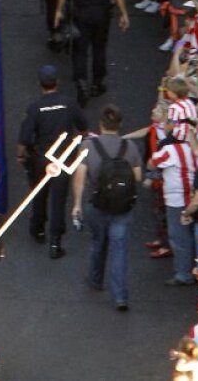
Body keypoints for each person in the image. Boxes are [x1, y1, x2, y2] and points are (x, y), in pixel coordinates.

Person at [71, 107, 143, 311]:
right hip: (122, 206)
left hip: (97, 204)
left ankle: (95, 280)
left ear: (101, 124)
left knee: (97, 241)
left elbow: (80, 177)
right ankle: (120, 296)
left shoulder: (88, 146)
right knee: (119, 249)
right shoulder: (129, 147)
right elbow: (138, 177)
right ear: (119, 125)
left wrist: (77, 204)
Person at [18, 65, 87, 257]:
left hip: (41, 158)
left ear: (40, 84)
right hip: (63, 158)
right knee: (59, 199)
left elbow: (24, 138)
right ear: (57, 82)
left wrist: (20, 156)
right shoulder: (68, 103)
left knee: (39, 194)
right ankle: (55, 244)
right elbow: (83, 128)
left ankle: (38, 230)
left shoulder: (35, 107)